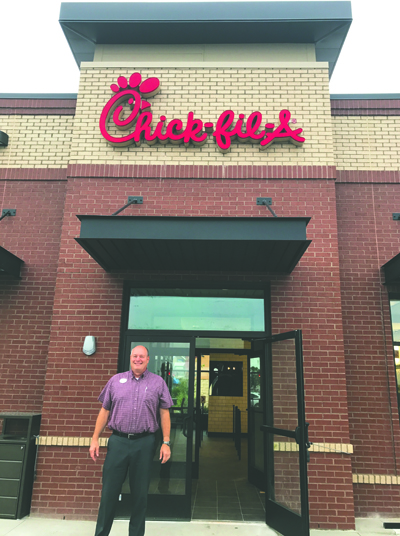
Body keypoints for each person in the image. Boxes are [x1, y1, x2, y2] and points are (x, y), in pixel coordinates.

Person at [89, 345, 173, 536]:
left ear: (148, 359)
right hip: (118, 442)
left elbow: (164, 412)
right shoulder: (115, 381)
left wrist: (166, 442)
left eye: (142, 356)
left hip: (144, 443)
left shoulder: (157, 383)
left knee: (140, 495)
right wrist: (95, 438)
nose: (138, 359)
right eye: (135, 356)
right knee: (109, 493)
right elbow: (105, 410)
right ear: (130, 358)